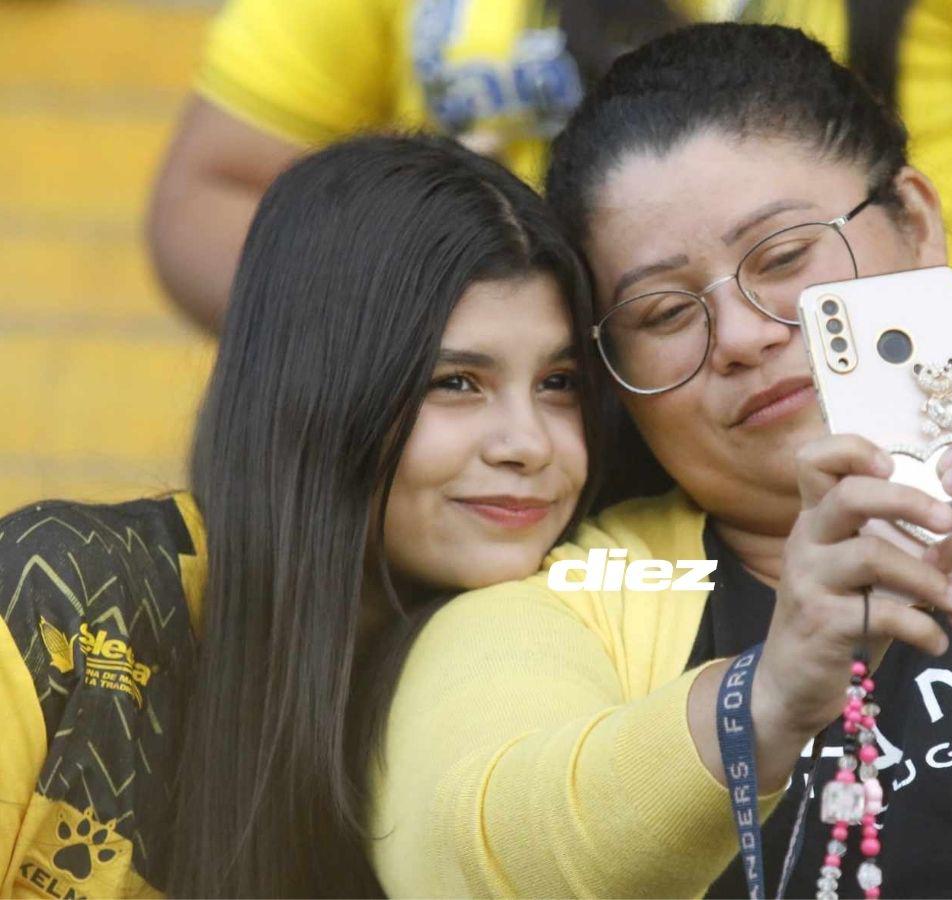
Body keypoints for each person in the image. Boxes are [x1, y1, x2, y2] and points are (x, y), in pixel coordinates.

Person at [370, 25, 952, 898]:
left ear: (916, 223)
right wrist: (761, 704)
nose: (740, 335)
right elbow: (471, 859)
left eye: (784, 255)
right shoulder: (570, 595)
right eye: (662, 314)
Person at [145, 0, 952, 457]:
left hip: (911, 453)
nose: (740, 326)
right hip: (547, 486)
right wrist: (461, 358)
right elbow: (211, 192)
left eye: (782, 252)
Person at [0, 133, 601, 898]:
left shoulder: (582, 641)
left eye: (558, 382)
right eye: (455, 383)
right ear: (318, 392)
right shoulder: (60, 594)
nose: (530, 444)